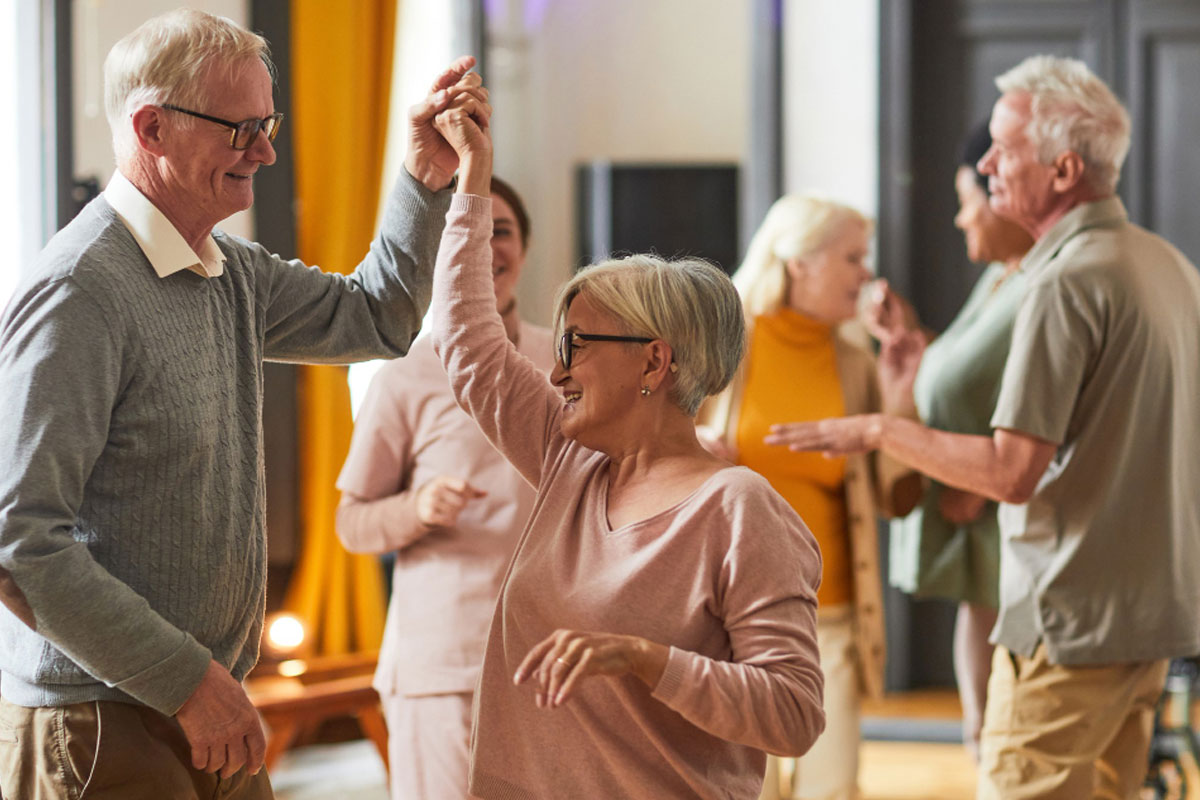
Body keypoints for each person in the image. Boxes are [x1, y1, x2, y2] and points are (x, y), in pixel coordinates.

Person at [0, 9, 489, 799]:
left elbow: (377, 316)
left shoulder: (230, 270)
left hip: (201, 701)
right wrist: (190, 683)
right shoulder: (78, 291)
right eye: (241, 130)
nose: (264, 151)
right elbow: (19, 544)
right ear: (152, 128)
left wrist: (423, 177)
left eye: (269, 124)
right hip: (103, 718)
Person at [767, 54, 1200, 800]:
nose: (987, 164)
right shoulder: (1166, 264)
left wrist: (878, 429)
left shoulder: (1064, 280)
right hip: (1151, 621)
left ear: (1064, 170)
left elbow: (1010, 472)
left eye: (1005, 148)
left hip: (1068, 625)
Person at [426, 90, 825, 799]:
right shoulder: (566, 458)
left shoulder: (738, 508)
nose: (555, 369)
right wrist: (473, 176)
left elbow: (794, 714)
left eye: (577, 345)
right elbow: (468, 343)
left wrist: (645, 659)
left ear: (653, 361)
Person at [335, 175, 553, 800]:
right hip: (445, 665)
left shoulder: (564, 365)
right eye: (470, 232)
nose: (487, 247)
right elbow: (353, 522)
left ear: (525, 249)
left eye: (502, 231)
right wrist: (417, 509)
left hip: (552, 660)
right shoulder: (405, 371)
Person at [697, 195, 917, 800]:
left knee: (832, 786)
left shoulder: (854, 363)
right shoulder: (720, 345)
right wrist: (693, 446)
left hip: (832, 618)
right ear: (800, 263)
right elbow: (651, 450)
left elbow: (898, 495)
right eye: (852, 257)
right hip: (729, 618)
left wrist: (899, 394)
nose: (866, 274)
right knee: (743, 788)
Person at [866, 122, 1034, 762]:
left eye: (968, 198)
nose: (962, 218)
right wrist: (912, 340)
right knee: (986, 727)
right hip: (977, 517)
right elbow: (969, 369)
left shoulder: (1038, 288)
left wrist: (989, 491)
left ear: (1002, 196)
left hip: (1002, 510)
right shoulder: (997, 278)